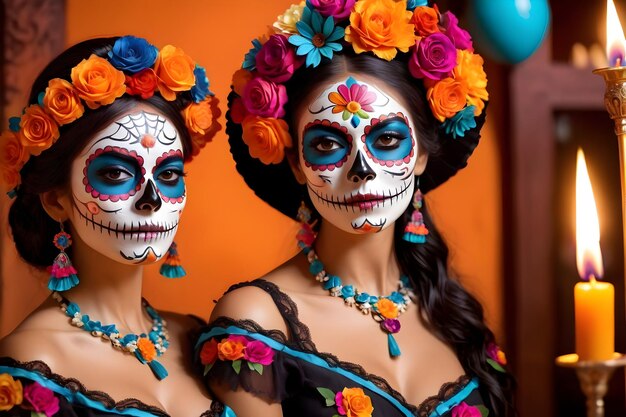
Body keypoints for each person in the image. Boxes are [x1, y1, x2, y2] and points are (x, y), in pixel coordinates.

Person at [195, 1, 515, 416]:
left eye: (386, 140)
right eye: (327, 145)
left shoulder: (452, 311)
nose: (361, 170)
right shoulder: (256, 321)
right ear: (295, 163)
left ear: (421, 155)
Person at [0, 35, 222, 416]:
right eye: (117, 172)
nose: (151, 199)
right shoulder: (28, 365)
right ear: (56, 200)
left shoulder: (195, 335)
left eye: (169, 174)